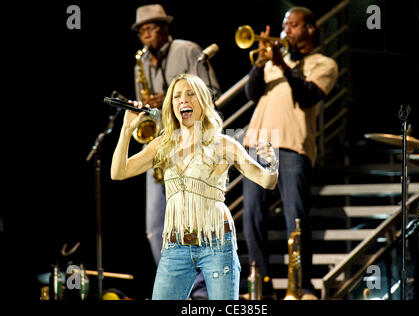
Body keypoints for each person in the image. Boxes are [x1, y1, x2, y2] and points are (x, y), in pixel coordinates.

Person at [111, 73, 278, 300]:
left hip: (216, 243)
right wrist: (126, 131)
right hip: (176, 247)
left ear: (203, 101)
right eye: (177, 96)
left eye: (190, 94)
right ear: (171, 105)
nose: (183, 100)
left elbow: (267, 181)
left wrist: (272, 162)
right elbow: (118, 172)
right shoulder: (163, 144)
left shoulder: (223, 144)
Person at [242, 6, 338, 299]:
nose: (286, 31)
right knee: (252, 216)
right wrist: (260, 63)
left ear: (309, 28)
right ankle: (261, 286)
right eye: (285, 26)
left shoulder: (324, 63)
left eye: (293, 25)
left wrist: (283, 65)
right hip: (258, 143)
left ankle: (302, 286)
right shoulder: (272, 61)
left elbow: (308, 96)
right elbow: (251, 93)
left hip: (293, 144)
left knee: (295, 217)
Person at [131, 4, 220, 299]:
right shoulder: (141, 64)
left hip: (190, 146)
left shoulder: (187, 49)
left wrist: (171, 99)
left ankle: (201, 293)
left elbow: (213, 92)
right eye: (141, 30)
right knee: (155, 229)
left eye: (150, 28)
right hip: (159, 147)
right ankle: (177, 288)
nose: (145, 35)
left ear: (165, 28)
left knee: (193, 222)